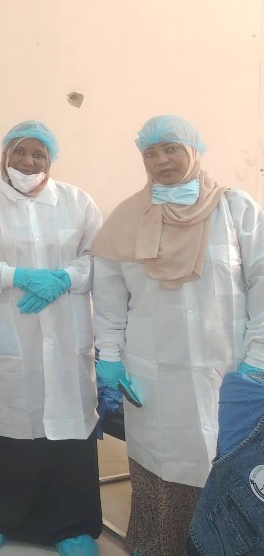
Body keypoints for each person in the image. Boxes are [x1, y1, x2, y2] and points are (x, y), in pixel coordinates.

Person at [91, 115, 264, 556]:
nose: (161, 160)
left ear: (194, 150)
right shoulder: (125, 219)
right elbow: (109, 299)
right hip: (152, 372)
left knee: (230, 469)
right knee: (160, 471)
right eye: (150, 152)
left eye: (171, 148)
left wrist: (258, 359)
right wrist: (108, 355)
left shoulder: (235, 209)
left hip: (228, 370)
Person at [0, 120, 103, 555]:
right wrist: (17, 276)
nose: (28, 161)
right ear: (4, 155)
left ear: (50, 160)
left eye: (39, 154)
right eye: (19, 151)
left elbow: (98, 257)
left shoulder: (78, 202)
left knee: (66, 427)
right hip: (8, 335)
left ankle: (71, 525)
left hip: (66, 334)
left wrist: (65, 278)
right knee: (8, 426)